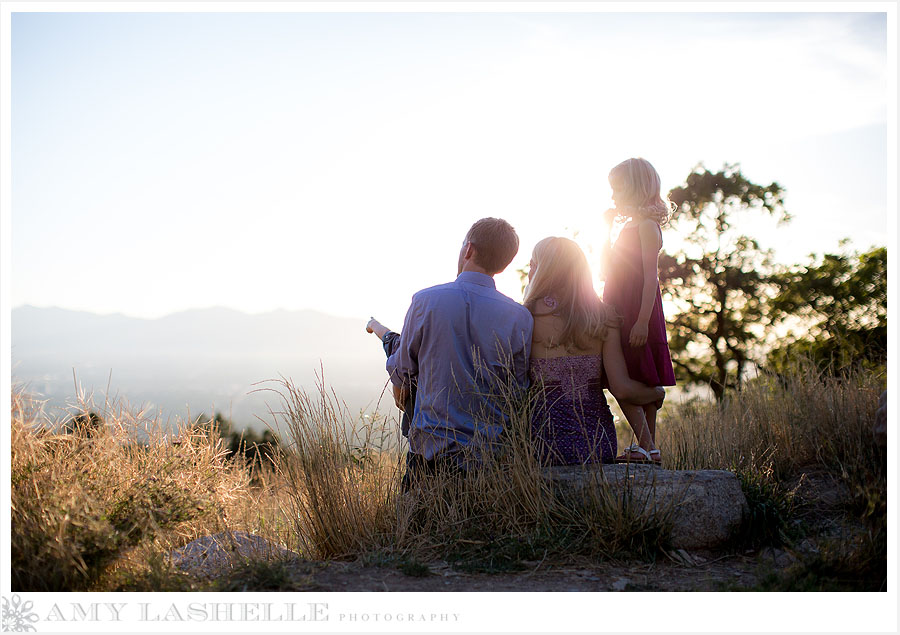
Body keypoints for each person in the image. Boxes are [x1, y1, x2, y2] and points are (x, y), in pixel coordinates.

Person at [385, 218, 534, 490]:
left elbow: (401, 372)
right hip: (490, 461)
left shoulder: (426, 300)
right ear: (504, 264)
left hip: (430, 457)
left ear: (468, 250)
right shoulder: (520, 317)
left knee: (417, 530)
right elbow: (518, 389)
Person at [524, 236, 665, 465]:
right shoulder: (603, 316)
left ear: (542, 270)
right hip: (597, 442)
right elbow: (622, 389)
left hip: (542, 443)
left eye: (532, 264)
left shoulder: (525, 316)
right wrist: (657, 393)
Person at [601, 157, 677, 464]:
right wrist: (606, 228)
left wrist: (643, 320)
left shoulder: (647, 227)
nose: (613, 196)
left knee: (623, 377)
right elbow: (607, 267)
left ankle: (646, 443)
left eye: (617, 189)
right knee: (638, 377)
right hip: (619, 304)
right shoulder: (628, 228)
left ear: (635, 188)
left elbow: (650, 277)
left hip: (636, 310)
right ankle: (650, 448)